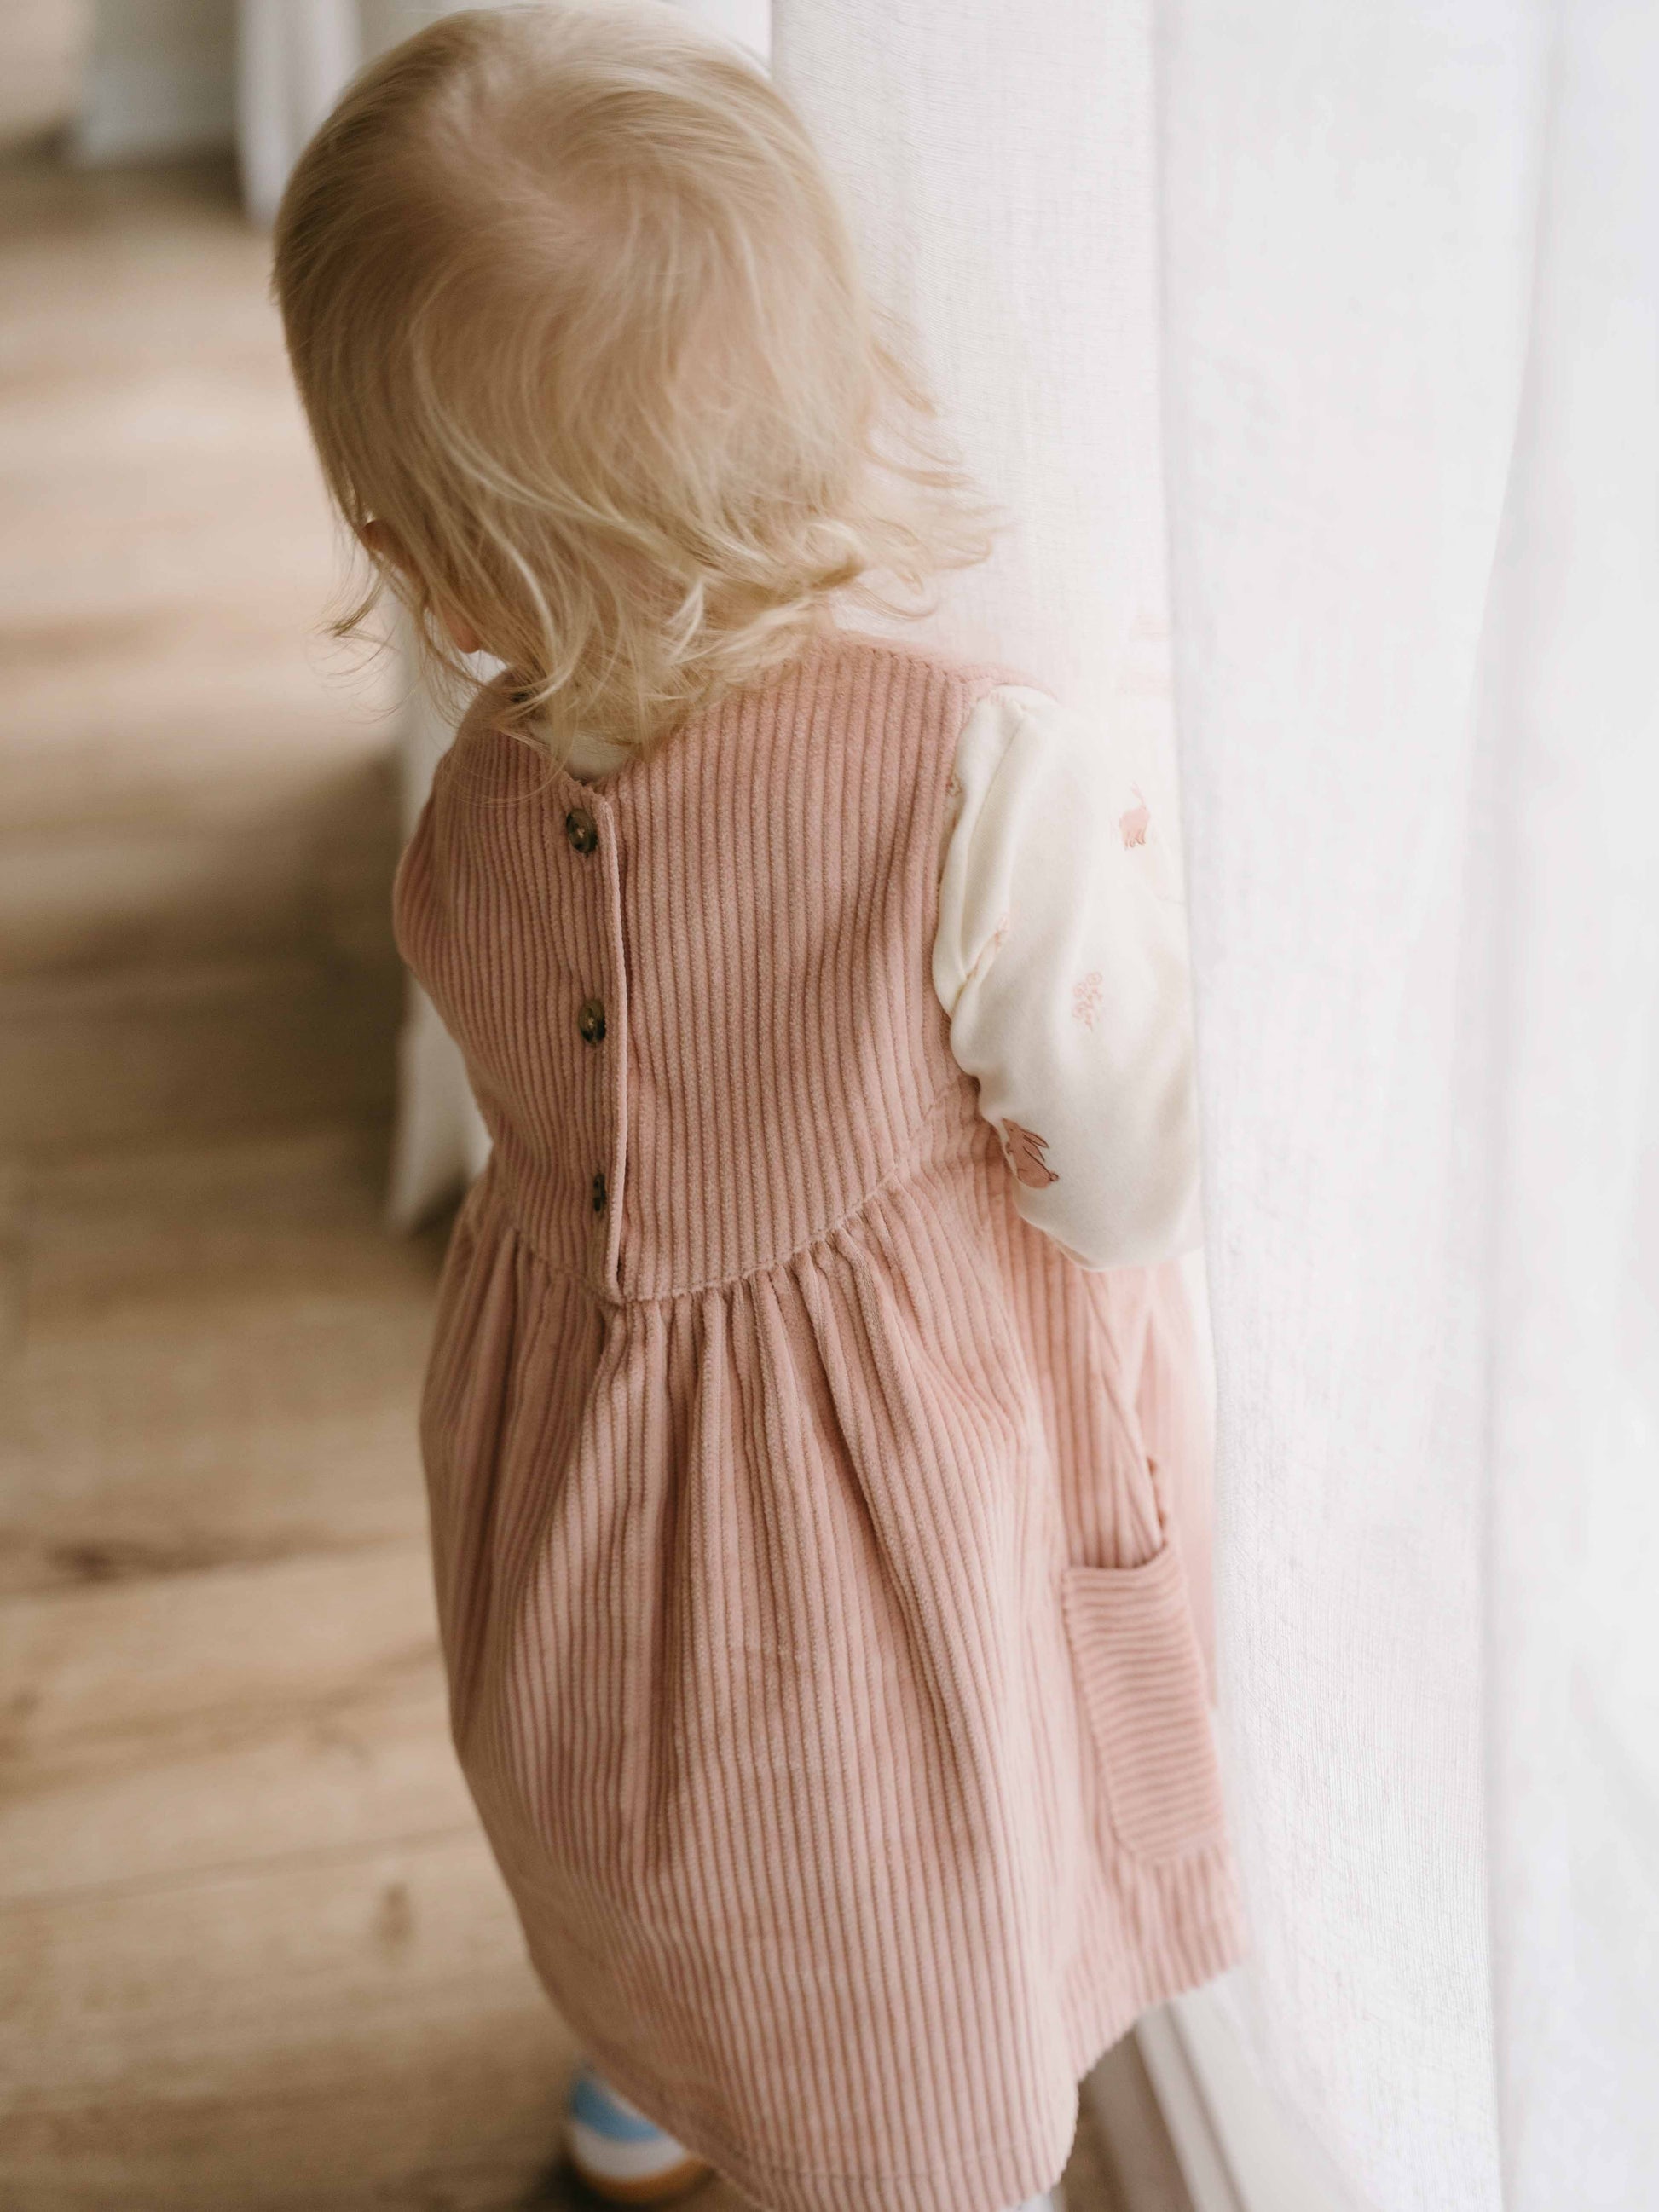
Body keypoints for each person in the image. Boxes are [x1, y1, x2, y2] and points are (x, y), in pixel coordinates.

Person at [272, 9, 1244, 2207]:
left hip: (579, 1495)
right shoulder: (974, 782)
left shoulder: (471, 810)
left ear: (430, 565)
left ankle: (643, 2083)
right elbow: (1129, 1179)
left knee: (633, 1830)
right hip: (866, 1579)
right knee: (893, 1934)